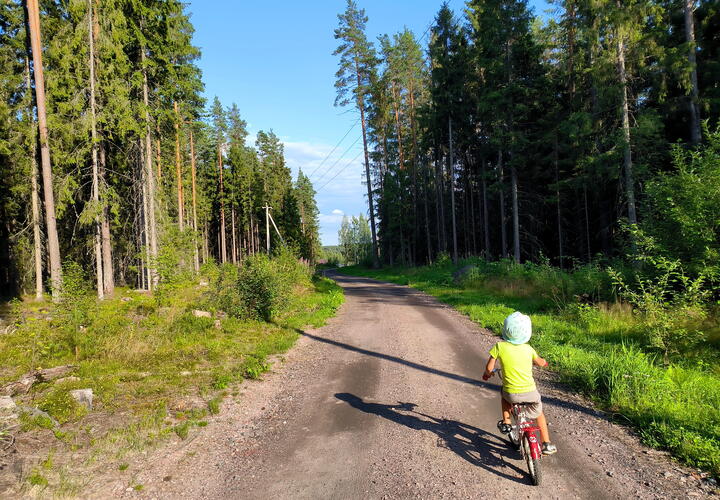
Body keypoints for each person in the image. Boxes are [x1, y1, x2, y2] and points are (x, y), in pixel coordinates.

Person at [482, 311, 557, 455]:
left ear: (505, 330)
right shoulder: (529, 349)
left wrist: (487, 374)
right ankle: (546, 443)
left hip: (511, 393)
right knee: (539, 413)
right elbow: (540, 362)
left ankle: (507, 422)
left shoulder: (499, 346)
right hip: (530, 394)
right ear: (527, 332)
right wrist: (545, 362)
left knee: (504, 396)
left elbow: (489, 368)